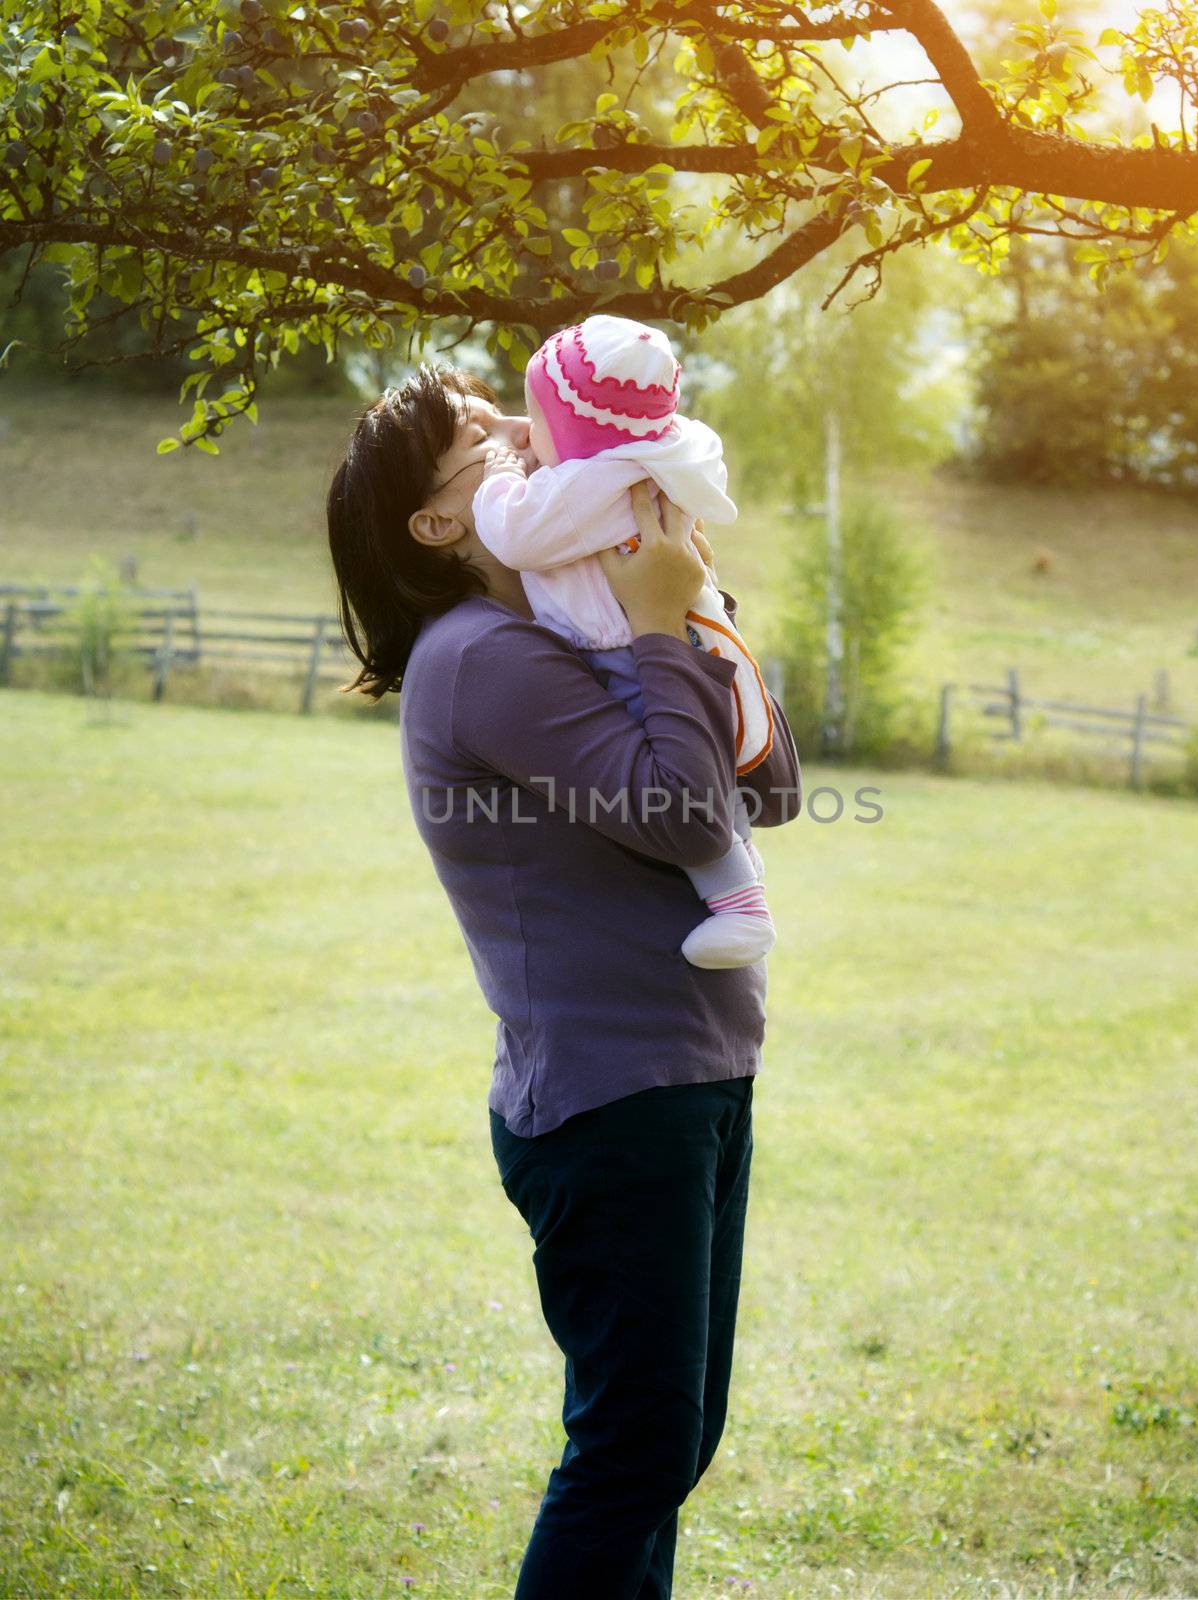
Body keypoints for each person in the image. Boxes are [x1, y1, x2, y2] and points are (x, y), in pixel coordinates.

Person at [325, 362, 802, 1600]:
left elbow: (772, 787)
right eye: (479, 437)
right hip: (611, 1102)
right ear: (436, 525)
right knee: (634, 1448)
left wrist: (691, 604)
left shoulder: (559, 621)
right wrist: (653, 628)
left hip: (690, 1076)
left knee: (668, 1447)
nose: (524, 434)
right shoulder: (479, 655)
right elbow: (685, 805)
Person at [472, 313, 777, 969]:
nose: (527, 434)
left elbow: (517, 535)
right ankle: (739, 862)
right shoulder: (664, 450)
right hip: (685, 626)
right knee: (703, 764)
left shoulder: (595, 482)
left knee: (673, 777)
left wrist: (496, 471)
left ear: (576, 428)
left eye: (534, 418)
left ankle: (740, 905)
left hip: (625, 644)